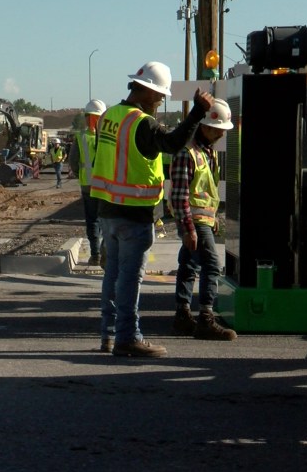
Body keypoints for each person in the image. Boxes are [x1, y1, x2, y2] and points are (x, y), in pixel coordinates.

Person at [90, 61, 214, 357]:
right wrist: (197, 112)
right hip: (134, 212)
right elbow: (172, 144)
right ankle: (128, 337)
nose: (160, 101)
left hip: (108, 208)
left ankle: (108, 335)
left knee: (113, 275)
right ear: (145, 91)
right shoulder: (141, 122)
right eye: (159, 95)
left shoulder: (110, 115)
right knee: (130, 278)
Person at [171, 99, 237, 341]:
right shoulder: (187, 152)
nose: (221, 133)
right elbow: (180, 195)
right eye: (218, 128)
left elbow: (206, 190)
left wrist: (214, 216)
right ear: (205, 126)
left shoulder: (206, 152)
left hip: (201, 220)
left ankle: (182, 316)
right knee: (211, 265)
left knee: (189, 265)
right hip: (193, 220)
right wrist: (189, 228)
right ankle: (205, 319)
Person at [68, 99, 107, 266]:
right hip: (107, 186)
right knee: (107, 219)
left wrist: (82, 175)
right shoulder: (109, 138)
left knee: (92, 221)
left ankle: (96, 254)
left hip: (88, 185)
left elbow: (73, 162)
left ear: (87, 117)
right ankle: (107, 253)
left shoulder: (81, 137)